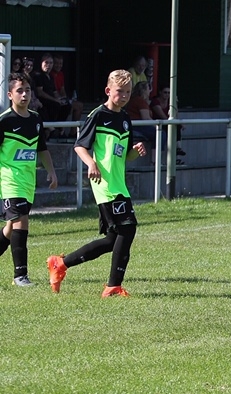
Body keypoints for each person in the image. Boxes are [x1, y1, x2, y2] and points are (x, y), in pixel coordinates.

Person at [46, 69, 147, 297]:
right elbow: (79, 146)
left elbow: (124, 156)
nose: (124, 96)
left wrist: (135, 150)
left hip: (119, 183)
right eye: (120, 91)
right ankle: (113, 286)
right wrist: (91, 163)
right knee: (128, 228)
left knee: (113, 240)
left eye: (128, 92)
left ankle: (60, 264)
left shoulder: (125, 119)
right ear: (108, 90)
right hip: (105, 183)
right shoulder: (98, 115)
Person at [0, 72, 58, 286]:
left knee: (10, 228)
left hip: (27, 182)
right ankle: (20, 275)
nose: (24, 95)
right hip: (9, 181)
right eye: (19, 91)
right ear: (10, 95)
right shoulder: (4, 121)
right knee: (21, 221)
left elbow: (42, 148)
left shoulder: (35, 119)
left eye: (27, 90)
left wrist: (51, 171)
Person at [33, 53, 72, 136]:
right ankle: (51, 129)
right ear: (41, 63)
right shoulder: (38, 75)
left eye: (51, 63)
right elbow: (40, 92)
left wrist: (61, 99)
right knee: (55, 105)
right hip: (43, 101)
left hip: (52, 100)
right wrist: (55, 100)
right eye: (46, 63)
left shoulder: (51, 77)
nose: (49, 65)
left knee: (66, 106)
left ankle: (59, 128)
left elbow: (55, 92)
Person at [126, 81, 166, 162]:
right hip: (137, 127)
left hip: (132, 126)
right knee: (161, 134)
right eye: (148, 89)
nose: (150, 91)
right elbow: (146, 118)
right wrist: (158, 126)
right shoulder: (140, 101)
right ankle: (155, 160)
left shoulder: (133, 100)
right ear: (144, 90)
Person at [150, 82, 186, 163]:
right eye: (165, 92)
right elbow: (163, 116)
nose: (167, 95)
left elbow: (175, 115)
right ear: (160, 92)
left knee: (175, 127)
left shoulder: (170, 101)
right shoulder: (155, 102)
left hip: (167, 123)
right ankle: (177, 150)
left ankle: (177, 150)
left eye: (169, 93)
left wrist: (175, 103)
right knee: (173, 126)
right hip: (157, 124)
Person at [51, 54, 83, 136]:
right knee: (70, 107)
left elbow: (62, 89)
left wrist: (66, 99)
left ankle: (73, 133)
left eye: (60, 63)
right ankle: (60, 131)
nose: (58, 65)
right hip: (53, 101)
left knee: (79, 105)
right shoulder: (50, 74)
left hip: (61, 100)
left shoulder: (61, 74)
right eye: (56, 63)